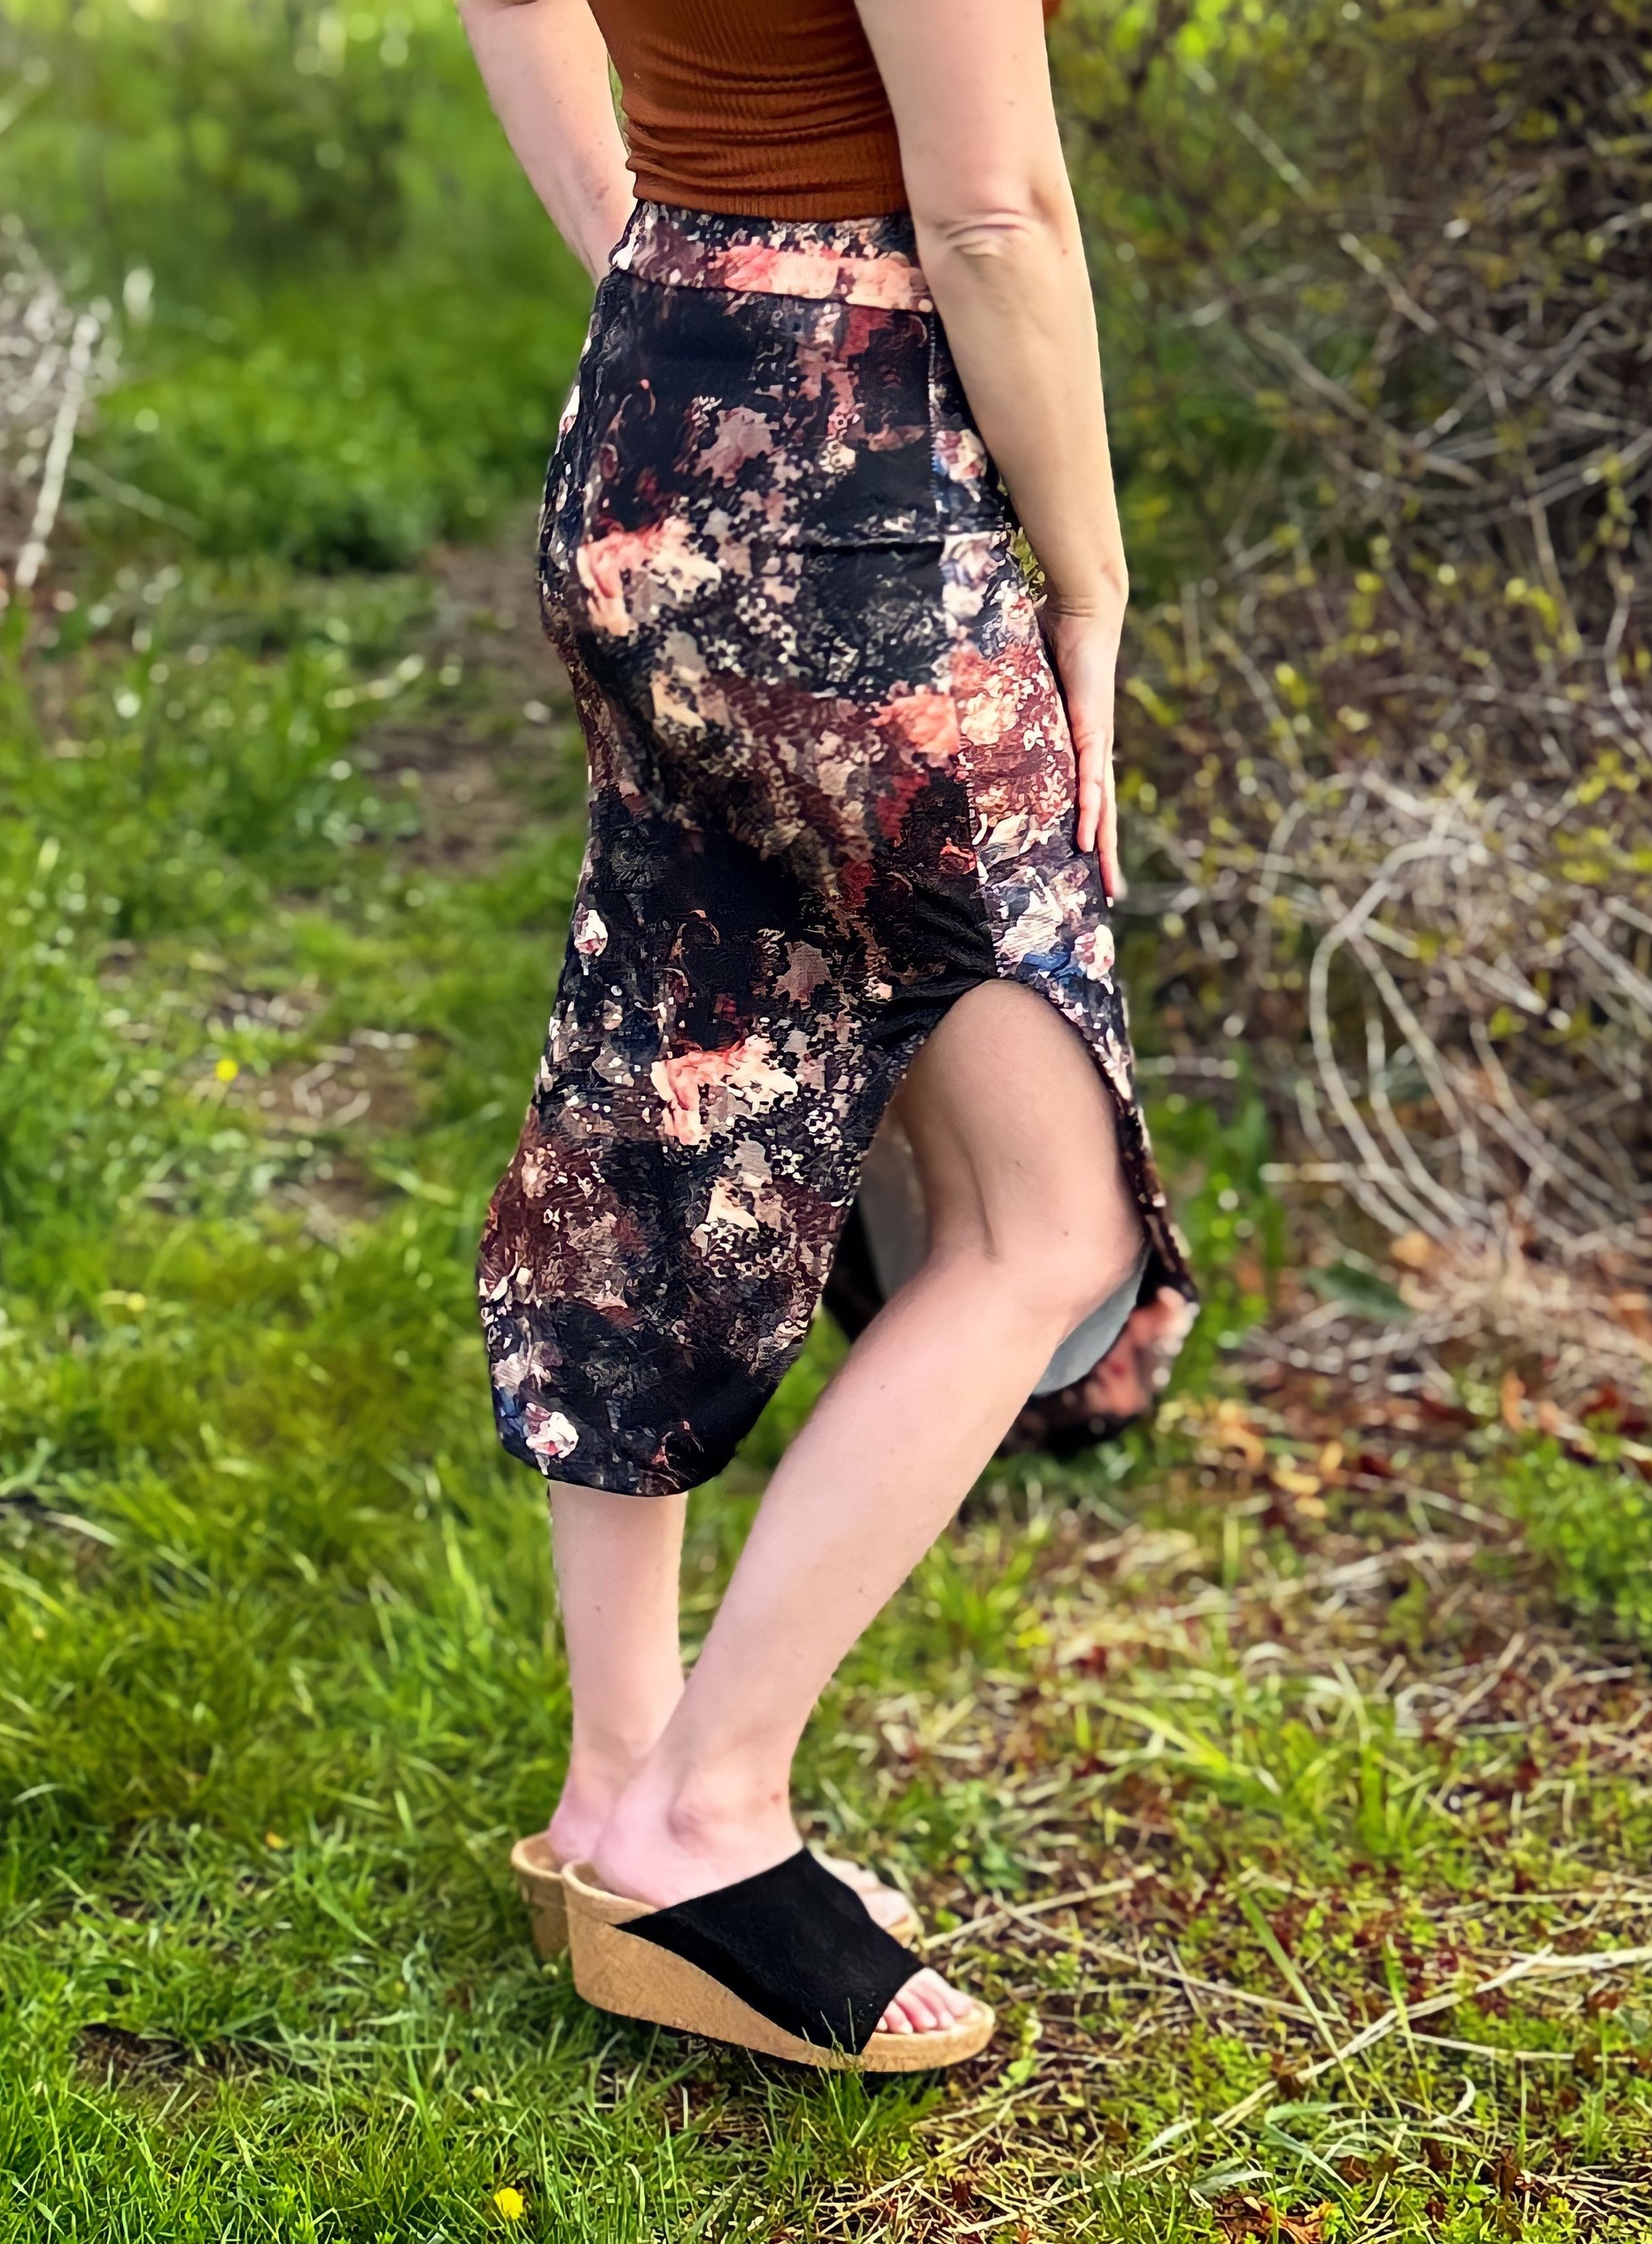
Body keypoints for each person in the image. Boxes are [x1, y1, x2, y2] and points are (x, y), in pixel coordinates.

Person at [461, 0, 1196, 2069]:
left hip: (654, 411)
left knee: (669, 1100)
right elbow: (992, 209)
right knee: (1043, 1221)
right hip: (860, 498)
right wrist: (1092, 581)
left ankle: (615, 1780)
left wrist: (671, 265)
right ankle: (705, 1813)